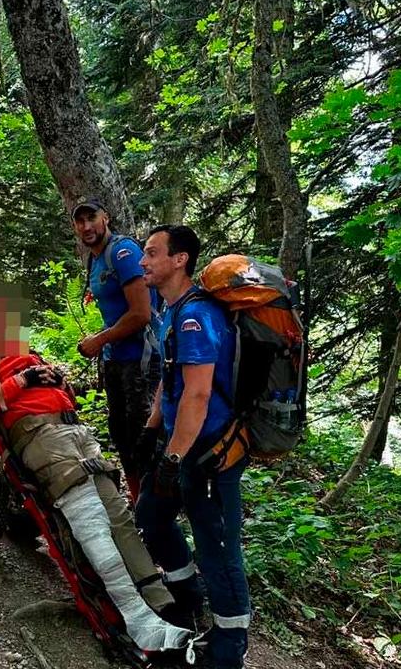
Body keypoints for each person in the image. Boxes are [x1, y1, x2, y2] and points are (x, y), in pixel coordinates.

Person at [0, 283, 192, 653]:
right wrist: (23, 382)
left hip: (74, 431)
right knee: (91, 521)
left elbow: (71, 399)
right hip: (40, 436)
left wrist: (56, 380)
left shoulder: (29, 355)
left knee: (120, 518)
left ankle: (164, 606)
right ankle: (138, 620)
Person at [135, 224, 250, 669]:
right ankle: (186, 597)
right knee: (151, 514)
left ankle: (227, 648)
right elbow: (173, 378)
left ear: (179, 260)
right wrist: (151, 429)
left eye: (152, 252)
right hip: (181, 445)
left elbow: (198, 396)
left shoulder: (195, 316)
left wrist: (173, 459)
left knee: (217, 547)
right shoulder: (171, 309)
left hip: (210, 453)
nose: (143, 261)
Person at [72, 197, 158, 503]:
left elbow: (141, 313)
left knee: (141, 436)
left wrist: (100, 340)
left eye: (91, 218)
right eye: (80, 222)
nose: (86, 226)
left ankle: (155, 510)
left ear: (105, 217)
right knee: (121, 435)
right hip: (116, 359)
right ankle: (139, 504)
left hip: (141, 358)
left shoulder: (123, 252)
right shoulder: (96, 258)